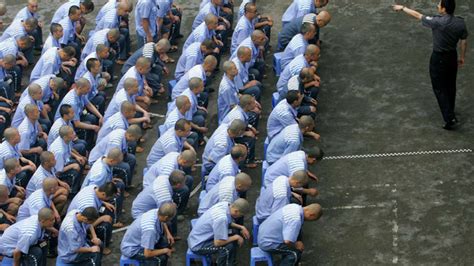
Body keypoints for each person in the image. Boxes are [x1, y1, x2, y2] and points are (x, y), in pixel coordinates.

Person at [392, 1, 468, 129]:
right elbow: (464, 40)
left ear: (444, 9)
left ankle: (449, 118)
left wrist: (403, 8)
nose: (437, 6)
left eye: (439, 5)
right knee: (450, 85)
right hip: (452, 57)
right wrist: (462, 57)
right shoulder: (460, 22)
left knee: (439, 87)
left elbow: (418, 15)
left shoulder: (437, 22)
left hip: (439, 58)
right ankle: (451, 110)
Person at [188, 199, 251, 266]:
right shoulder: (221, 218)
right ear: (236, 211)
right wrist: (236, 237)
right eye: (240, 215)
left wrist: (241, 227)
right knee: (227, 247)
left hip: (198, 237)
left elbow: (228, 223)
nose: (240, 217)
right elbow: (218, 243)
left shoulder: (225, 205)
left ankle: (230, 262)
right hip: (198, 244)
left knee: (234, 232)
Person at [67, 183, 118, 255]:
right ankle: (101, 246)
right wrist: (101, 219)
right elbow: (87, 223)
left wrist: (104, 203)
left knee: (108, 211)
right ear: (103, 194)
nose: (109, 199)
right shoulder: (89, 205)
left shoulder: (94, 187)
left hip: (84, 216)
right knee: (105, 225)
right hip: (79, 224)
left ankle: (104, 238)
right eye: (109, 197)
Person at [48, 125, 85, 196]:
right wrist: (72, 166)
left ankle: (77, 184)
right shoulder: (59, 151)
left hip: (64, 161)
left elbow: (69, 150)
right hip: (57, 172)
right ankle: (72, 192)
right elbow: (59, 170)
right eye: (71, 133)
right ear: (65, 137)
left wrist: (77, 157)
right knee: (75, 171)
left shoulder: (65, 140)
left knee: (80, 161)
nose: (74, 134)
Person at [17, 104, 47, 169]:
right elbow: (21, 150)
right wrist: (35, 150)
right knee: (35, 155)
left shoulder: (33, 119)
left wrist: (42, 134)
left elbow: (38, 129)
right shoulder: (25, 131)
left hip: (31, 143)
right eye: (37, 112)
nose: (39, 113)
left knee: (43, 141)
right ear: (30, 114)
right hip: (25, 151)